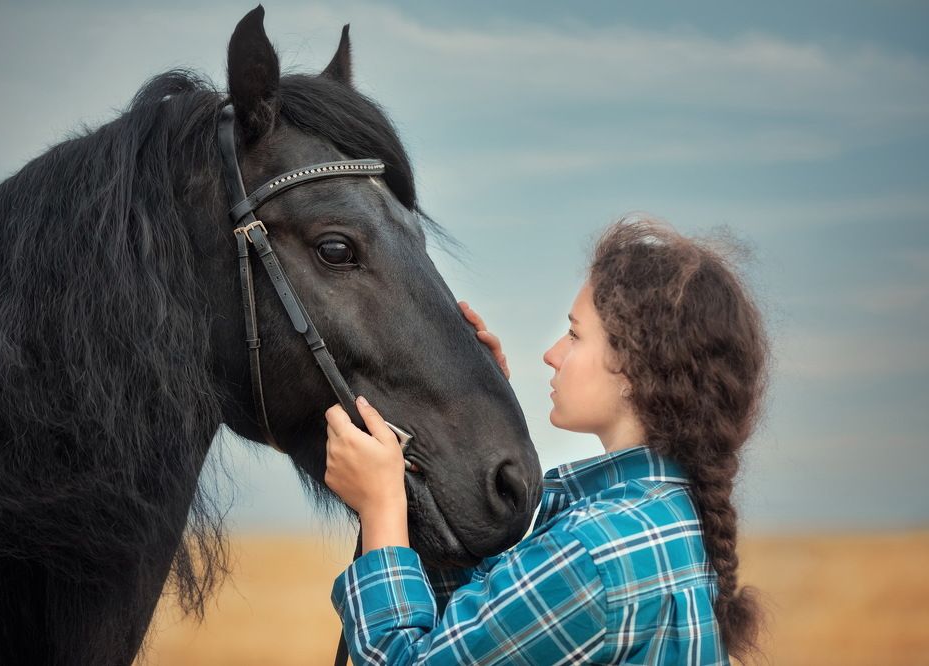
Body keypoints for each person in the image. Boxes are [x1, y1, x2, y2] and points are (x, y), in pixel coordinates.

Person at [324, 218, 766, 665]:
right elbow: (485, 631)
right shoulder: (662, 517)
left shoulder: (592, 553)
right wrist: (470, 415)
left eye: (575, 334)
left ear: (635, 367)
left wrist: (380, 507)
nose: (552, 354)